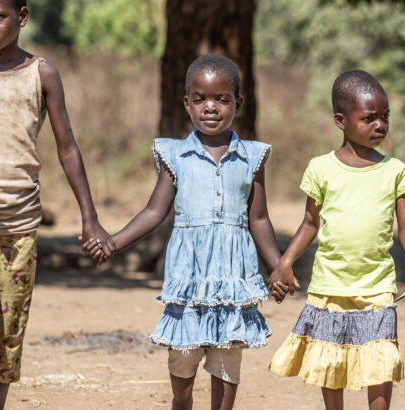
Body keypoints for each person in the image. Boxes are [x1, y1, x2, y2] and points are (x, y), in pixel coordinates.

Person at [0, 0, 113, 408]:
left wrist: (90, 218)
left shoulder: (42, 74)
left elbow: (66, 148)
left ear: (23, 17)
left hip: (20, 222)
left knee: (8, 332)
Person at [84, 54, 280, 410]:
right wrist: (113, 243)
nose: (210, 107)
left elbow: (260, 220)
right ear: (186, 103)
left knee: (227, 354)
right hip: (188, 274)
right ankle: (182, 400)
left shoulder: (252, 157)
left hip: (232, 277)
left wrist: (278, 266)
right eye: (200, 98)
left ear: (239, 102)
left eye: (222, 99)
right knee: (183, 354)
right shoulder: (174, 155)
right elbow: (154, 211)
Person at [267, 70, 405, 410]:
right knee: (331, 362)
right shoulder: (320, 168)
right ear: (341, 121)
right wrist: (285, 262)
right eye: (369, 118)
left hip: (377, 286)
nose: (380, 126)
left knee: (381, 357)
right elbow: (309, 224)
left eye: (384, 117)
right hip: (330, 285)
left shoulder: (394, 170)